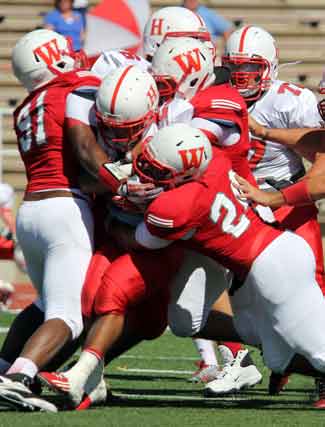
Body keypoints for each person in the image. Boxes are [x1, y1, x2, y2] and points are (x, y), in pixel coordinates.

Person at [115, 123, 325, 408]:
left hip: (273, 268)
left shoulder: (173, 207)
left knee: (320, 351)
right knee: (277, 357)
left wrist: (113, 223)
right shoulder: (216, 160)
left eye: (159, 171)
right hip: (271, 256)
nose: (148, 175)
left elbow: (141, 241)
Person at [0, 29, 106, 413]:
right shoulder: (73, 89)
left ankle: (3, 366)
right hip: (65, 208)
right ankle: (18, 377)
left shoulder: (25, 105)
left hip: (32, 210)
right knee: (67, 315)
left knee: (45, 304)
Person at [222, 26, 325, 395]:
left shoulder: (291, 101)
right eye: (235, 68)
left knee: (313, 281)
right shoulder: (215, 97)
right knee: (249, 293)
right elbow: (317, 140)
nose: (242, 77)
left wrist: (272, 199)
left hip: (285, 199)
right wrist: (263, 133)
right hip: (243, 204)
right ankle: (282, 356)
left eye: (251, 67)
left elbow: (319, 175)